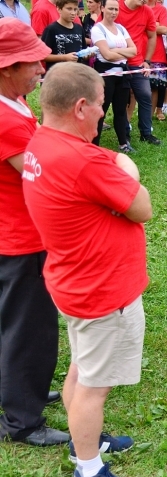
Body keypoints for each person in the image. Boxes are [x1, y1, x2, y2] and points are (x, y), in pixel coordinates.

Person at [24, 62, 153, 477]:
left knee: (82, 369)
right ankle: (88, 472)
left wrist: (115, 166)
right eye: (100, 104)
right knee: (93, 387)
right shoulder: (83, 161)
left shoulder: (42, 142)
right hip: (101, 289)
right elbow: (142, 206)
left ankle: (87, 440)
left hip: (74, 279)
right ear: (80, 107)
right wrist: (126, 169)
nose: (104, 112)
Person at [0, 18, 69, 448]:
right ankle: (22, 420)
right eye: (32, 62)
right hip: (20, 239)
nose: (42, 68)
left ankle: (24, 388)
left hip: (21, 232)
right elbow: (38, 172)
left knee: (16, 322)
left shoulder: (16, 101)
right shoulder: (5, 118)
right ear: (7, 68)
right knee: (29, 328)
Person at [91, 0, 137, 153]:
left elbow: (134, 51)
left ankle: (123, 143)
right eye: (110, 9)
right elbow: (107, 55)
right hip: (105, 76)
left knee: (120, 110)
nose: (114, 12)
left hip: (122, 75)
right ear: (102, 8)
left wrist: (115, 51)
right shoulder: (98, 29)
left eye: (116, 9)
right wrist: (123, 52)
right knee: (101, 111)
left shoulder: (121, 28)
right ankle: (94, 146)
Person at [117, 0, 162, 145]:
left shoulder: (147, 11)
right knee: (121, 100)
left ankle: (146, 133)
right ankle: (124, 134)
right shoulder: (115, 6)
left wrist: (147, 60)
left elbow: (152, 36)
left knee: (145, 95)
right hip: (117, 62)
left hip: (138, 63)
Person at [41, 0, 89, 71]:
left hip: (77, 73)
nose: (73, 13)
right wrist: (64, 57)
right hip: (58, 73)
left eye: (75, 9)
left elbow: (83, 51)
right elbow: (43, 56)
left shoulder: (79, 28)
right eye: (69, 9)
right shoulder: (51, 29)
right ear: (59, 9)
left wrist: (87, 54)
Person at [146, 0, 167, 121]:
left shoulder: (162, 9)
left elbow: (164, 29)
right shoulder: (140, 7)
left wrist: (146, 25)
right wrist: (156, 24)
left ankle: (149, 117)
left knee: (155, 87)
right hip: (140, 52)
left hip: (158, 53)